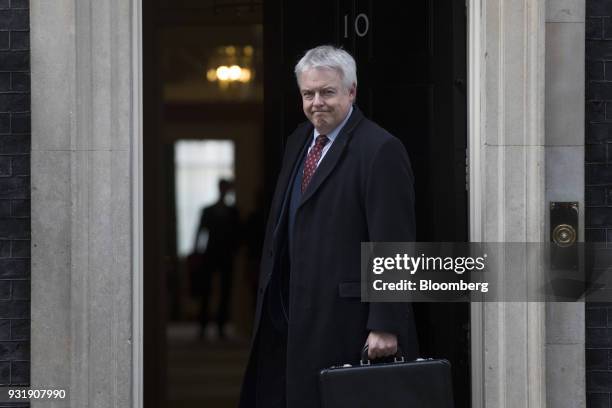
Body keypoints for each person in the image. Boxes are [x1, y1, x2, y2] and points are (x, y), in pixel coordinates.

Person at [238, 45, 418, 408]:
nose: (316, 102)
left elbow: (394, 242)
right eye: (308, 93)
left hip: (347, 322)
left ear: (351, 91)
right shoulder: (298, 142)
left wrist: (385, 322)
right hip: (289, 320)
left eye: (327, 92)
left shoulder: (380, 148)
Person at [193, 179, 240, 340]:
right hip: (210, 254)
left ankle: (220, 327)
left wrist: (235, 251)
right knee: (206, 291)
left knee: (225, 292)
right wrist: (197, 252)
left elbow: (237, 234)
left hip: (226, 255)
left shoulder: (233, 212)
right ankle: (203, 326)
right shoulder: (208, 210)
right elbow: (200, 232)